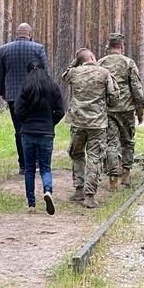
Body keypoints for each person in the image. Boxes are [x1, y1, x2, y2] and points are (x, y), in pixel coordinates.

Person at [61, 47, 116, 208]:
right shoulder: (104, 73)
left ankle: (78, 190)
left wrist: (76, 60)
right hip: (97, 123)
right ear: (92, 58)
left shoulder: (74, 73)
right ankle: (90, 196)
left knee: (77, 154)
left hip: (77, 122)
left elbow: (65, 75)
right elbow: (114, 95)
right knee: (95, 157)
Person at [0, 23, 49, 174]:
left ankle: (24, 165)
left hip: (13, 96)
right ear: (30, 34)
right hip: (35, 95)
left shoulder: (5, 49)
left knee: (20, 129)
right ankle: (36, 161)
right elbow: (45, 72)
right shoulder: (37, 48)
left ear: (17, 33)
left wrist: (2, 91)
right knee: (36, 127)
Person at [14, 58, 65, 214]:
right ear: (44, 70)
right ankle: (47, 190)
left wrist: (25, 122)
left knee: (29, 169)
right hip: (46, 133)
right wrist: (50, 123)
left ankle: (31, 204)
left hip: (28, 132)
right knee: (45, 168)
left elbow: (18, 111)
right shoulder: (53, 87)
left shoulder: (25, 87)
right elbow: (60, 112)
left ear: (29, 71)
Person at [97, 32, 144, 191]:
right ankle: (126, 173)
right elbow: (137, 90)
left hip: (108, 109)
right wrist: (140, 111)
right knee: (128, 141)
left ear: (109, 46)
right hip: (126, 110)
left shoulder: (100, 63)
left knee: (111, 143)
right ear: (122, 46)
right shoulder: (128, 63)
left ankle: (112, 180)